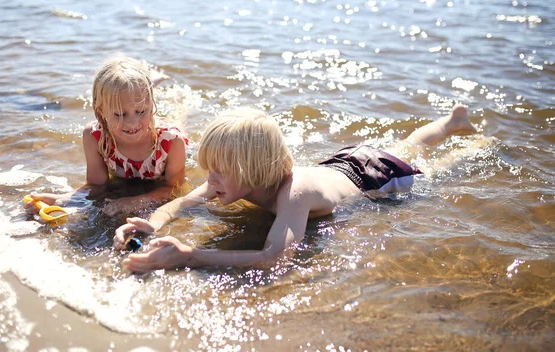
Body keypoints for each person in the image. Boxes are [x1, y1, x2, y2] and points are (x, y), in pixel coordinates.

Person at [113, 105, 478, 272]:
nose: (211, 182)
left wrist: (189, 255)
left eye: (219, 173)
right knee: (406, 144)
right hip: (341, 162)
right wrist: (154, 224)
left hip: (375, 178)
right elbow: (181, 205)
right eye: (210, 171)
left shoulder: (294, 195)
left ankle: (473, 145)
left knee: (429, 169)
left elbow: (274, 257)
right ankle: (451, 121)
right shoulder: (232, 179)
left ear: (252, 171)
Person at [26, 55, 188, 216]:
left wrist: (136, 201)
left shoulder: (171, 142)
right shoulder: (94, 137)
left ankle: (158, 91)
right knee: (133, 101)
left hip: (165, 136)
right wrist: (62, 200)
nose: (132, 123)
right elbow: (97, 185)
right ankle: (149, 87)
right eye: (120, 114)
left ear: (151, 104)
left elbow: (174, 188)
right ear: (102, 111)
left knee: (178, 121)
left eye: (141, 111)